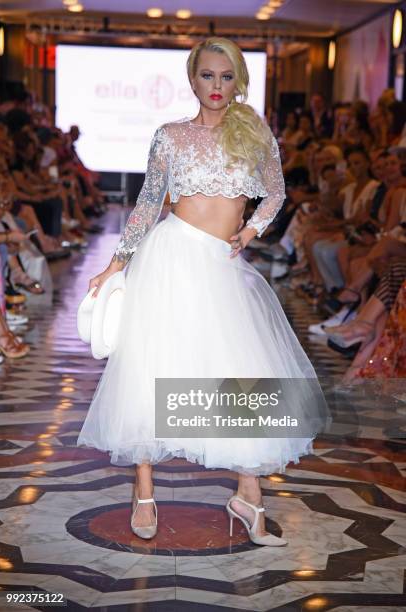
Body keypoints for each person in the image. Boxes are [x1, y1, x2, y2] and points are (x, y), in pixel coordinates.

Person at [77, 38, 327, 547]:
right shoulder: (170, 135)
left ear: (238, 80)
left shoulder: (254, 133)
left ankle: (247, 495)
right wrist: (117, 261)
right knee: (153, 368)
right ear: (193, 80)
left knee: (241, 375)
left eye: (226, 76)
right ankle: (144, 490)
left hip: (221, 265)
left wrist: (253, 229)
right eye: (208, 76)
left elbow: (275, 190)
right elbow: (149, 203)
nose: (217, 86)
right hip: (169, 257)